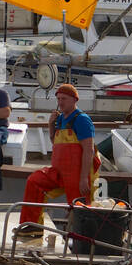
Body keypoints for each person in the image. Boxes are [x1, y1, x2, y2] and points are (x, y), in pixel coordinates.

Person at [20, 84, 100, 228]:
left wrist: (83, 179)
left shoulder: (82, 120)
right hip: (59, 171)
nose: (60, 102)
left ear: (75, 99)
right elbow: (55, 143)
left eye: (64, 98)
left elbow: (89, 151)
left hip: (78, 173)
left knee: (80, 211)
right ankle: (32, 226)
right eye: (58, 98)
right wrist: (51, 125)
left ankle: (82, 243)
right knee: (34, 181)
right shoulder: (60, 118)